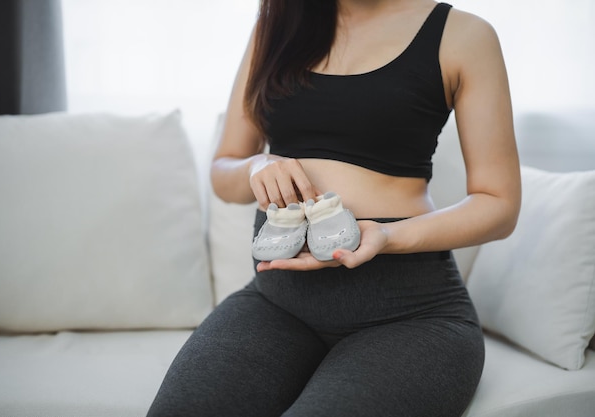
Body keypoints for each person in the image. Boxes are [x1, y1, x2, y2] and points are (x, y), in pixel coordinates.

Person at [147, 0, 520, 416]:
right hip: (278, 302)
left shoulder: (462, 35)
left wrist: (388, 234)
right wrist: (256, 165)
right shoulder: (277, 25)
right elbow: (224, 170)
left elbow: (499, 204)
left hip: (410, 313)